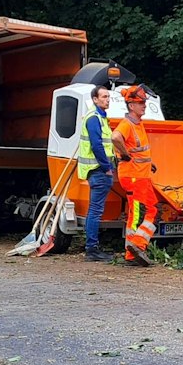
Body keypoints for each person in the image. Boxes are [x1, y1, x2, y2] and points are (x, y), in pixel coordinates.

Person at [114, 85, 160, 267]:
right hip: (134, 177)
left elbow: (139, 150)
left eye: (144, 102)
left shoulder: (137, 124)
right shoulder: (127, 124)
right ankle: (135, 248)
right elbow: (116, 138)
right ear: (131, 105)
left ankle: (133, 251)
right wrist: (124, 155)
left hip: (140, 175)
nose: (144, 106)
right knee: (139, 214)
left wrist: (149, 163)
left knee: (149, 211)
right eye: (141, 103)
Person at [75, 83, 119, 262]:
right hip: (99, 170)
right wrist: (107, 168)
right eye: (103, 97)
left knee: (96, 210)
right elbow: (97, 145)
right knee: (95, 210)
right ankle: (92, 249)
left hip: (99, 170)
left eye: (108, 97)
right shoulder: (94, 118)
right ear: (94, 99)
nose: (107, 100)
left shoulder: (100, 117)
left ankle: (92, 247)